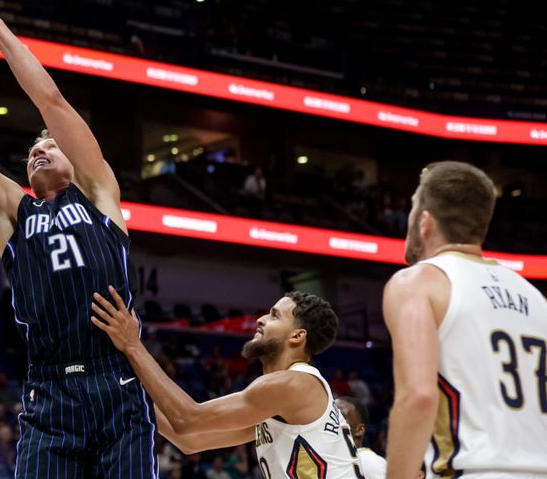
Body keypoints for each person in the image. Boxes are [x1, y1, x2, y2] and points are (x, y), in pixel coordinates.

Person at [0, 0, 152, 477]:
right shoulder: (11, 211)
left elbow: (50, 100)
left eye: (51, 145)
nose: (39, 148)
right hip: (50, 391)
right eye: (32, 148)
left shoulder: (98, 192)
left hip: (117, 379)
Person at [383, 161, 547, 478]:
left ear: (425, 222)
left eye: (413, 207)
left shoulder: (417, 283)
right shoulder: (536, 298)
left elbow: (418, 396)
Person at [91, 288, 362, 477]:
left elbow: (189, 419)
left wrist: (132, 345)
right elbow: (191, 441)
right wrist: (128, 384)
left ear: (297, 336)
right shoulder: (282, 405)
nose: (260, 319)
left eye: (275, 315)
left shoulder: (292, 385)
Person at [335, 397, 386, 478]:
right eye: (330, 416)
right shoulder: (326, 462)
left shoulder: (369, 462)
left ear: (359, 430)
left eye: (339, 416)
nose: (331, 421)